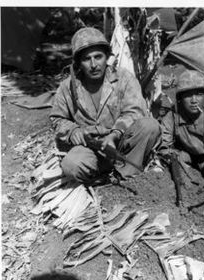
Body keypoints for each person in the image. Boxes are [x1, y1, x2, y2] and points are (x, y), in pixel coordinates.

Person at [50, 27, 161, 184]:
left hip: (121, 145)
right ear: (78, 63)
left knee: (150, 125)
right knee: (71, 166)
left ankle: (125, 175)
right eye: (87, 59)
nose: (94, 64)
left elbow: (135, 111)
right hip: (89, 148)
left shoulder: (124, 79)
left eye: (98, 57)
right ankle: (100, 177)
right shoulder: (67, 87)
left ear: (107, 57)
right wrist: (72, 130)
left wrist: (114, 134)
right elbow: (57, 118)